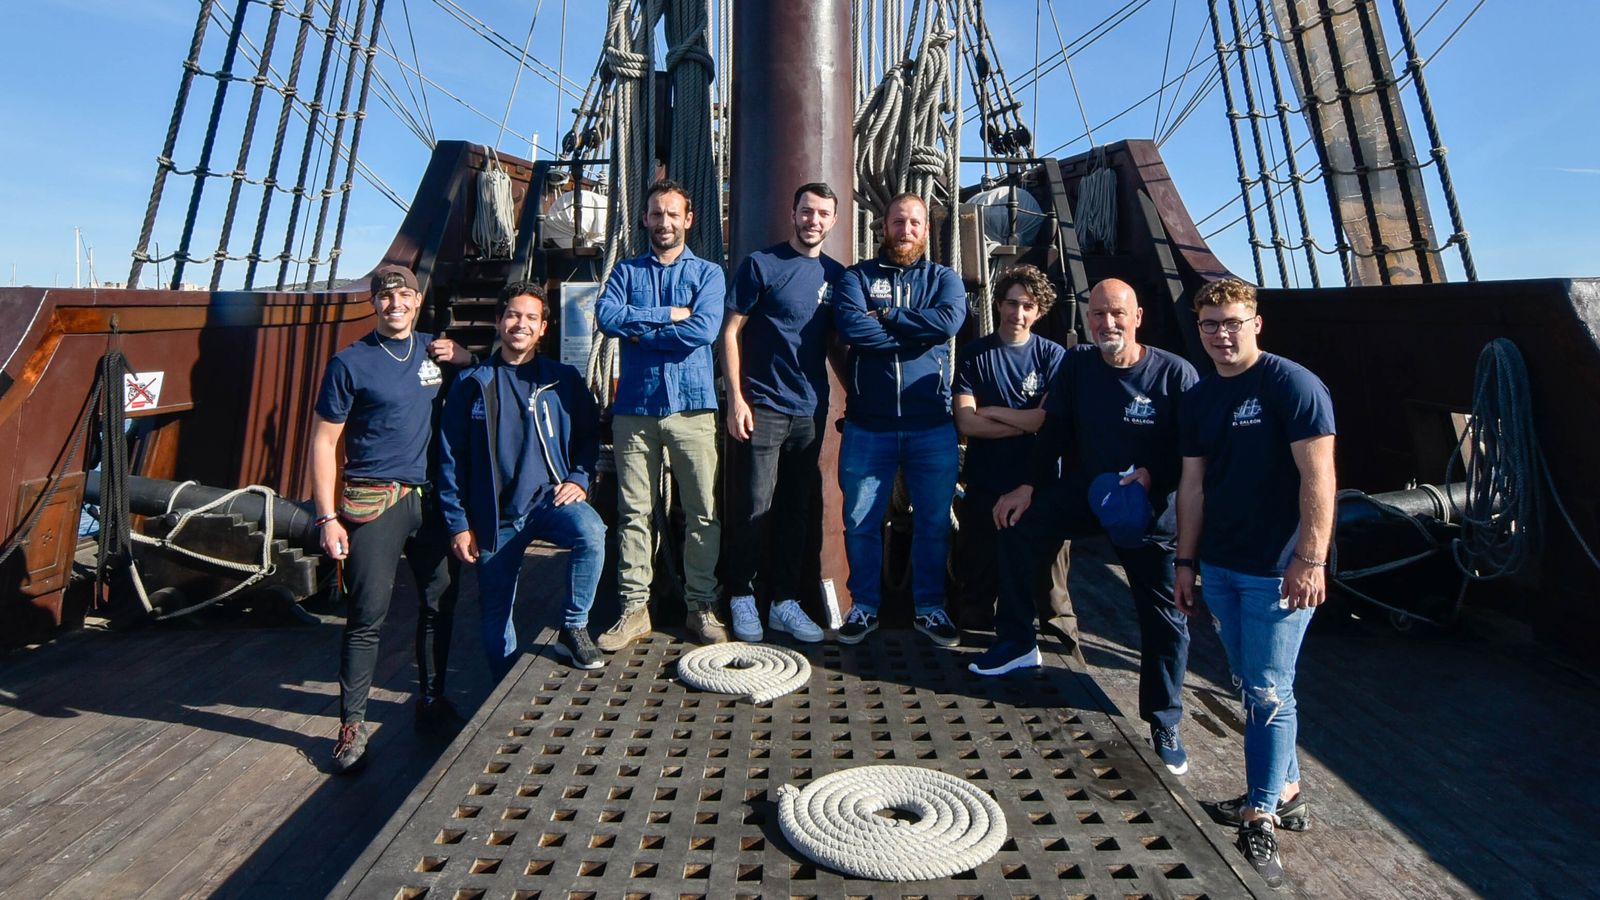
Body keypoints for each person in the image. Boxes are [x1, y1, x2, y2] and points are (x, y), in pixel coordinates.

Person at [983, 278, 1198, 781]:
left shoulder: (1175, 376)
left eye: (1117, 314)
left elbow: (1193, 457)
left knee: (1165, 617)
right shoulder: (1078, 364)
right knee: (1019, 523)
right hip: (1088, 491)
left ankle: (1163, 721)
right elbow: (1054, 431)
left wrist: (1153, 476)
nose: (1108, 323)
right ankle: (1016, 641)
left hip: (1147, 508)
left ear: (1138, 316)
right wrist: (1028, 487)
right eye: (1098, 314)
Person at [1173, 277, 1336, 888]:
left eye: (1232, 322)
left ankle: (1260, 810)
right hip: (1220, 566)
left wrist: (1310, 558)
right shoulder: (1201, 398)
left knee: (1269, 693)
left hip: (1278, 570)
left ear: (1256, 323)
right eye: (1210, 324)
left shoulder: (1291, 385)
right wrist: (1186, 564)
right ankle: (1285, 788)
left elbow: (1318, 474)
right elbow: (1192, 486)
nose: (1220, 334)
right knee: (1252, 685)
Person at [311, 264, 472, 775]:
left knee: (438, 604)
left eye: (404, 295)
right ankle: (352, 725)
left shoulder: (435, 351)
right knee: (366, 618)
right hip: (373, 502)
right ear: (374, 304)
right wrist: (326, 517)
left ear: (418, 300)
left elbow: (490, 370)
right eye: (385, 297)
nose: (395, 304)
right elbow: (323, 441)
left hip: (429, 502)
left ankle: (430, 697)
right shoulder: (350, 364)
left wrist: (466, 355)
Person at [437, 281, 606, 677]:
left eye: (531, 317)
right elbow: (449, 459)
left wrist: (579, 478)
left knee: (592, 533)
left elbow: (588, 434)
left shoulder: (562, 379)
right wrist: (459, 524)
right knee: (495, 618)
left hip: (549, 502)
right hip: (495, 517)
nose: (521, 324)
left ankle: (574, 625)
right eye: (513, 315)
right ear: (498, 322)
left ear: (543, 328)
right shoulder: (472, 385)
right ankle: (501, 688)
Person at [593, 179, 728, 649]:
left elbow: (704, 329)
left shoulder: (710, 273)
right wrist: (668, 314)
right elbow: (607, 318)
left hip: (692, 408)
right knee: (633, 511)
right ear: (645, 218)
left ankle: (701, 606)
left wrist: (640, 327)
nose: (664, 222)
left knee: (702, 511)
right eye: (656, 214)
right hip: (635, 408)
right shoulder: (626, 272)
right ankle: (634, 608)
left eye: (673, 214)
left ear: (688, 219)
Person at [832, 192, 966, 647]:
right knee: (861, 521)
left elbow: (948, 323)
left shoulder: (944, 279)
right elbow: (852, 328)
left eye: (914, 223)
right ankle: (863, 607)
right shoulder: (857, 278)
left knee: (932, 522)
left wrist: (889, 316)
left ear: (926, 230)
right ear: (882, 227)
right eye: (897, 222)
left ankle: (930, 608)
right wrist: (915, 336)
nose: (905, 230)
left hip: (932, 426)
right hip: (869, 426)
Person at [722, 183, 845, 643]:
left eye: (823, 214)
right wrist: (736, 398)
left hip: (810, 411)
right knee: (754, 505)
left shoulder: (837, 276)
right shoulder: (761, 265)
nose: (814, 220)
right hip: (764, 407)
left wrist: (859, 398)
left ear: (833, 221)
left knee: (799, 508)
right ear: (793, 213)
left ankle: (784, 602)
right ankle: (741, 596)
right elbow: (730, 332)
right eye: (806, 211)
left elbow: (835, 346)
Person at [950, 265, 1070, 640]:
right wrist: (1025, 419)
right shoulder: (974, 355)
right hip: (987, 478)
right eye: (1011, 303)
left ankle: (1058, 633)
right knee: (979, 570)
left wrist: (995, 412)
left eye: (1027, 306)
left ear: (1039, 311)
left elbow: (1044, 422)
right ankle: (975, 633)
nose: (1017, 314)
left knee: (1049, 575)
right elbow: (967, 424)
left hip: (1038, 480)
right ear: (999, 304)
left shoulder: (1053, 357)